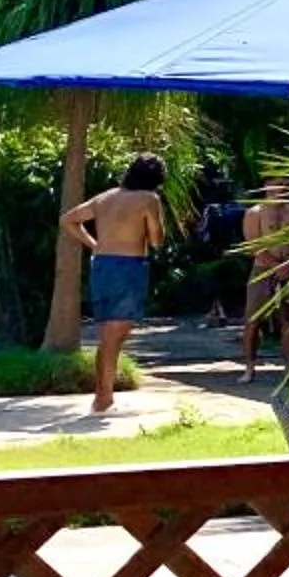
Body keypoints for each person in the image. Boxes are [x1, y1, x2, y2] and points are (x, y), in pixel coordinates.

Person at [61, 154, 169, 414]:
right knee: (114, 335)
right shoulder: (149, 199)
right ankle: (103, 398)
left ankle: (104, 396)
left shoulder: (106, 197)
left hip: (102, 265)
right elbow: (157, 240)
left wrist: (95, 245)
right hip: (128, 266)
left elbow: (68, 219)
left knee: (111, 334)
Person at [239, 176, 289, 379]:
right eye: (277, 183)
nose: (282, 187)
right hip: (262, 270)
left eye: (285, 183)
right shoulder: (255, 212)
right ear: (266, 186)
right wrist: (275, 266)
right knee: (253, 320)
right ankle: (249, 367)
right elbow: (254, 246)